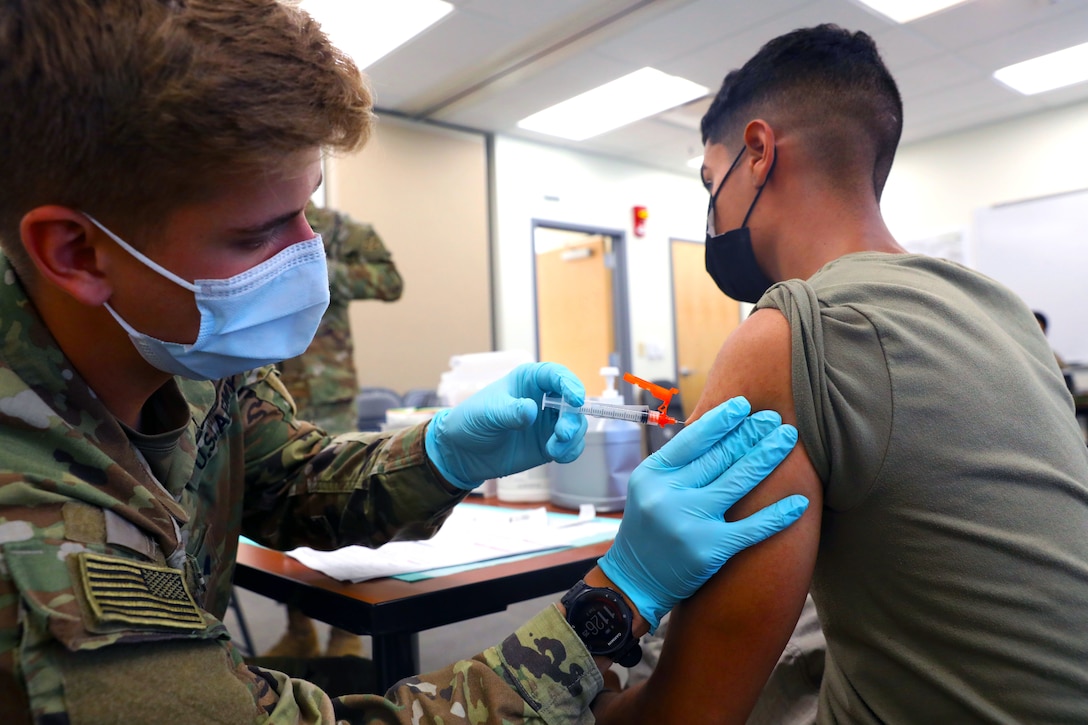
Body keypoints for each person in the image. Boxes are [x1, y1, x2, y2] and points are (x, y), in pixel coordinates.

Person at [0, 2, 810, 722]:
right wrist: (614, 600)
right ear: (75, 249)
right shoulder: (32, 534)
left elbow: (287, 482)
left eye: (307, 213)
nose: (307, 259)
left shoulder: (172, 334)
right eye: (258, 235)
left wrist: (445, 450)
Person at [590, 25, 1088, 723]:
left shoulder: (785, 334)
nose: (713, 212)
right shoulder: (1004, 311)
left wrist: (584, 696)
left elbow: (689, 716)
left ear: (758, 153)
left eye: (712, 181)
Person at [265, 202, 403, 662]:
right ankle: (300, 629)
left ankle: (346, 635)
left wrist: (315, 269)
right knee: (279, 508)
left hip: (328, 389)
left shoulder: (339, 229)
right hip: (271, 383)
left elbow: (389, 282)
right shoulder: (257, 219)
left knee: (336, 504)